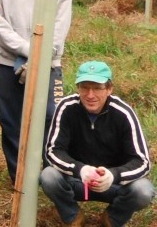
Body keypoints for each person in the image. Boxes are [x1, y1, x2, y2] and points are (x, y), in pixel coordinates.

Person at [0, 0, 72, 183]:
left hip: (49, 60)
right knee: (11, 120)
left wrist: (45, 51)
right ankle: (21, 176)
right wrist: (28, 48)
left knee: (51, 116)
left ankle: (52, 175)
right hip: (8, 61)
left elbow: (62, 17)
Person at [41, 61, 154, 227]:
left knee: (144, 191)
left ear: (109, 89)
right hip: (76, 180)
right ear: (78, 88)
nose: (90, 95)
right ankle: (73, 217)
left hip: (114, 184)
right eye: (85, 87)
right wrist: (81, 169)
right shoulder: (66, 107)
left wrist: (113, 175)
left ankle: (112, 219)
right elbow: (53, 151)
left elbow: (142, 161)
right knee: (48, 176)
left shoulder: (124, 113)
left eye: (97, 88)